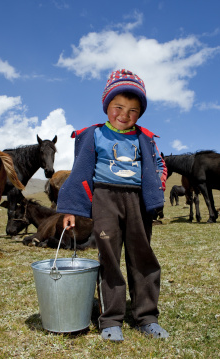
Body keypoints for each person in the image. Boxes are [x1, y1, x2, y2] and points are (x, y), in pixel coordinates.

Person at [57, 69, 169, 342]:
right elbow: (80, 171)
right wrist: (71, 208)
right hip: (105, 199)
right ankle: (111, 319)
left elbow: (158, 165)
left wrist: (159, 184)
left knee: (142, 256)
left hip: (137, 201)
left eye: (133, 110)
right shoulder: (95, 135)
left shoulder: (145, 138)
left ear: (140, 113)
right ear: (107, 106)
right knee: (109, 257)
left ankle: (146, 317)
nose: (124, 114)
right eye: (118, 107)